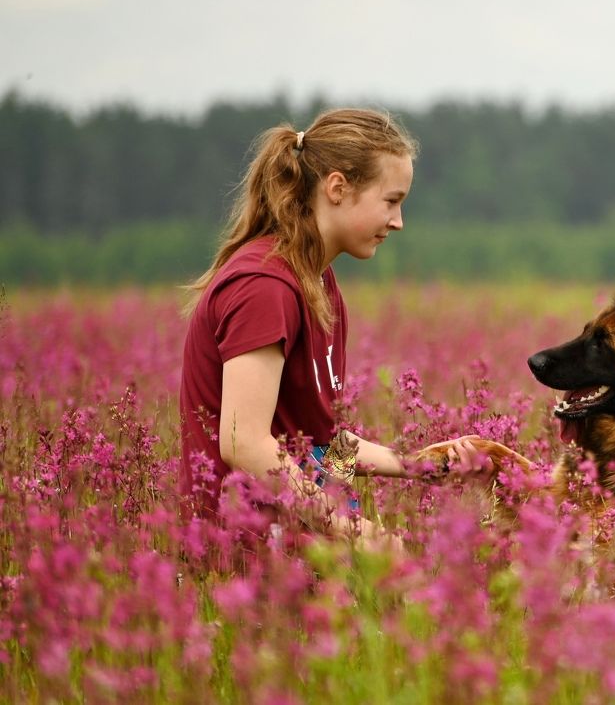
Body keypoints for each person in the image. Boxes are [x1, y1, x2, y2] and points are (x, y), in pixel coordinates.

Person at [179, 107, 486, 544]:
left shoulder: (317, 282)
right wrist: (350, 531)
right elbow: (243, 443)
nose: (398, 222)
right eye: (391, 201)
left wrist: (418, 466)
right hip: (241, 560)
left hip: (296, 553)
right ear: (338, 188)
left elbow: (318, 444)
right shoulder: (264, 286)